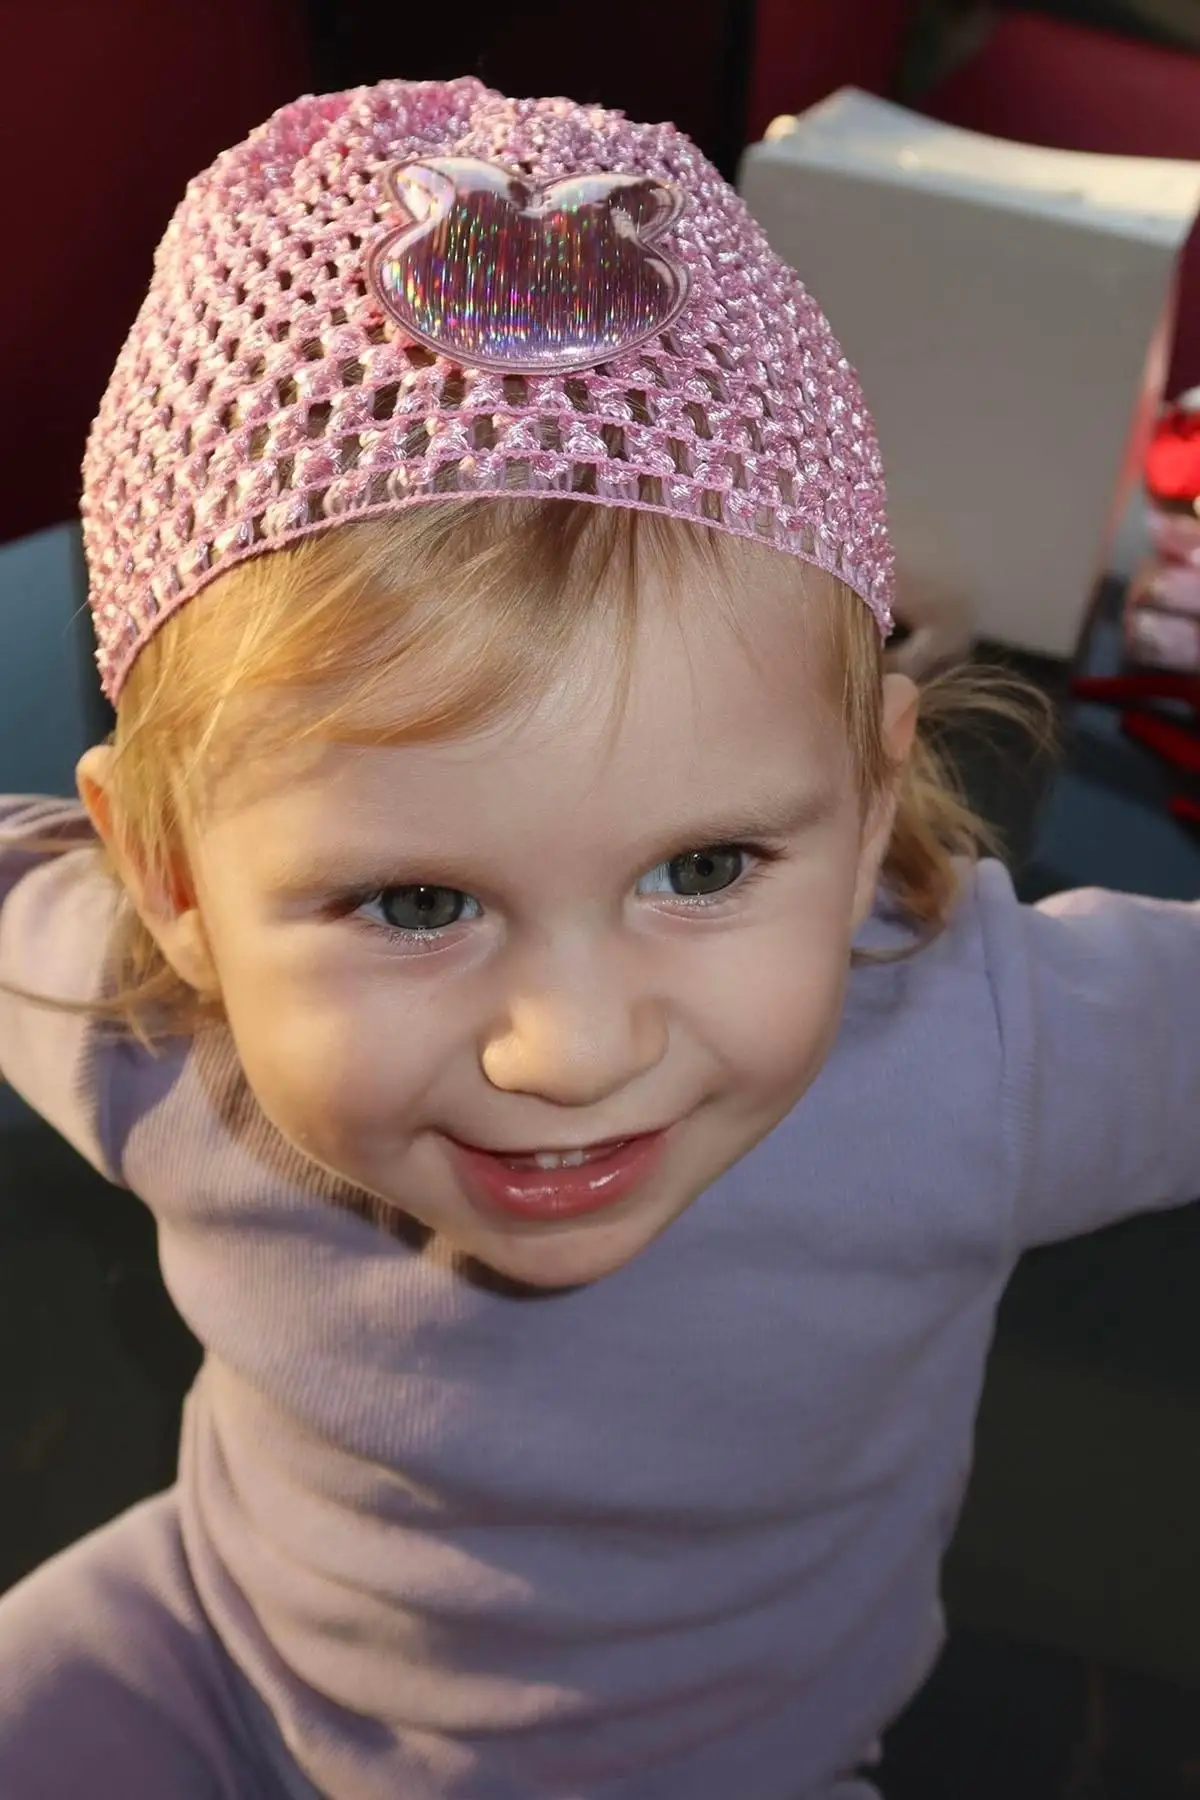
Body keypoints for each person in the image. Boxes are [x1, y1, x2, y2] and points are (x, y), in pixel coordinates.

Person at [0, 74, 1195, 1800]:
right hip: (217, 1663)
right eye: (418, 903)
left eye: (703, 868)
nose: (570, 1050)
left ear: (872, 798)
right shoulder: (143, 1033)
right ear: (173, 885)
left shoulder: (993, 1053)